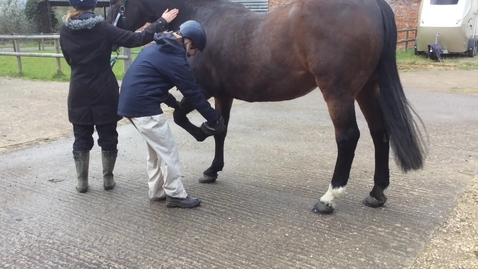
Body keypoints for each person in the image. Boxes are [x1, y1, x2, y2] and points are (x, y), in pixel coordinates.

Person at [59, 0, 179, 193]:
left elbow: (68, 58)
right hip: (104, 88)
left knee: (81, 135)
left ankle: (82, 182)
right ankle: (108, 179)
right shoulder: (103, 28)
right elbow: (136, 39)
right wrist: (162, 21)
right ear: (94, 5)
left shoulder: (65, 31)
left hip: (78, 89)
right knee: (108, 134)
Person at [118, 20, 226, 209]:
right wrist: (213, 117)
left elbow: (154, 82)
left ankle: (157, 191)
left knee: (156, 151)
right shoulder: (175, 57)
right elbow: (192, 92)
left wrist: (174, 103)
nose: (193, 55)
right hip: (144, 107)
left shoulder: (159, 47)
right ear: (188, 42)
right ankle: (175, 194)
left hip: (132, 104)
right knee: (168, 152)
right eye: (194, 50)